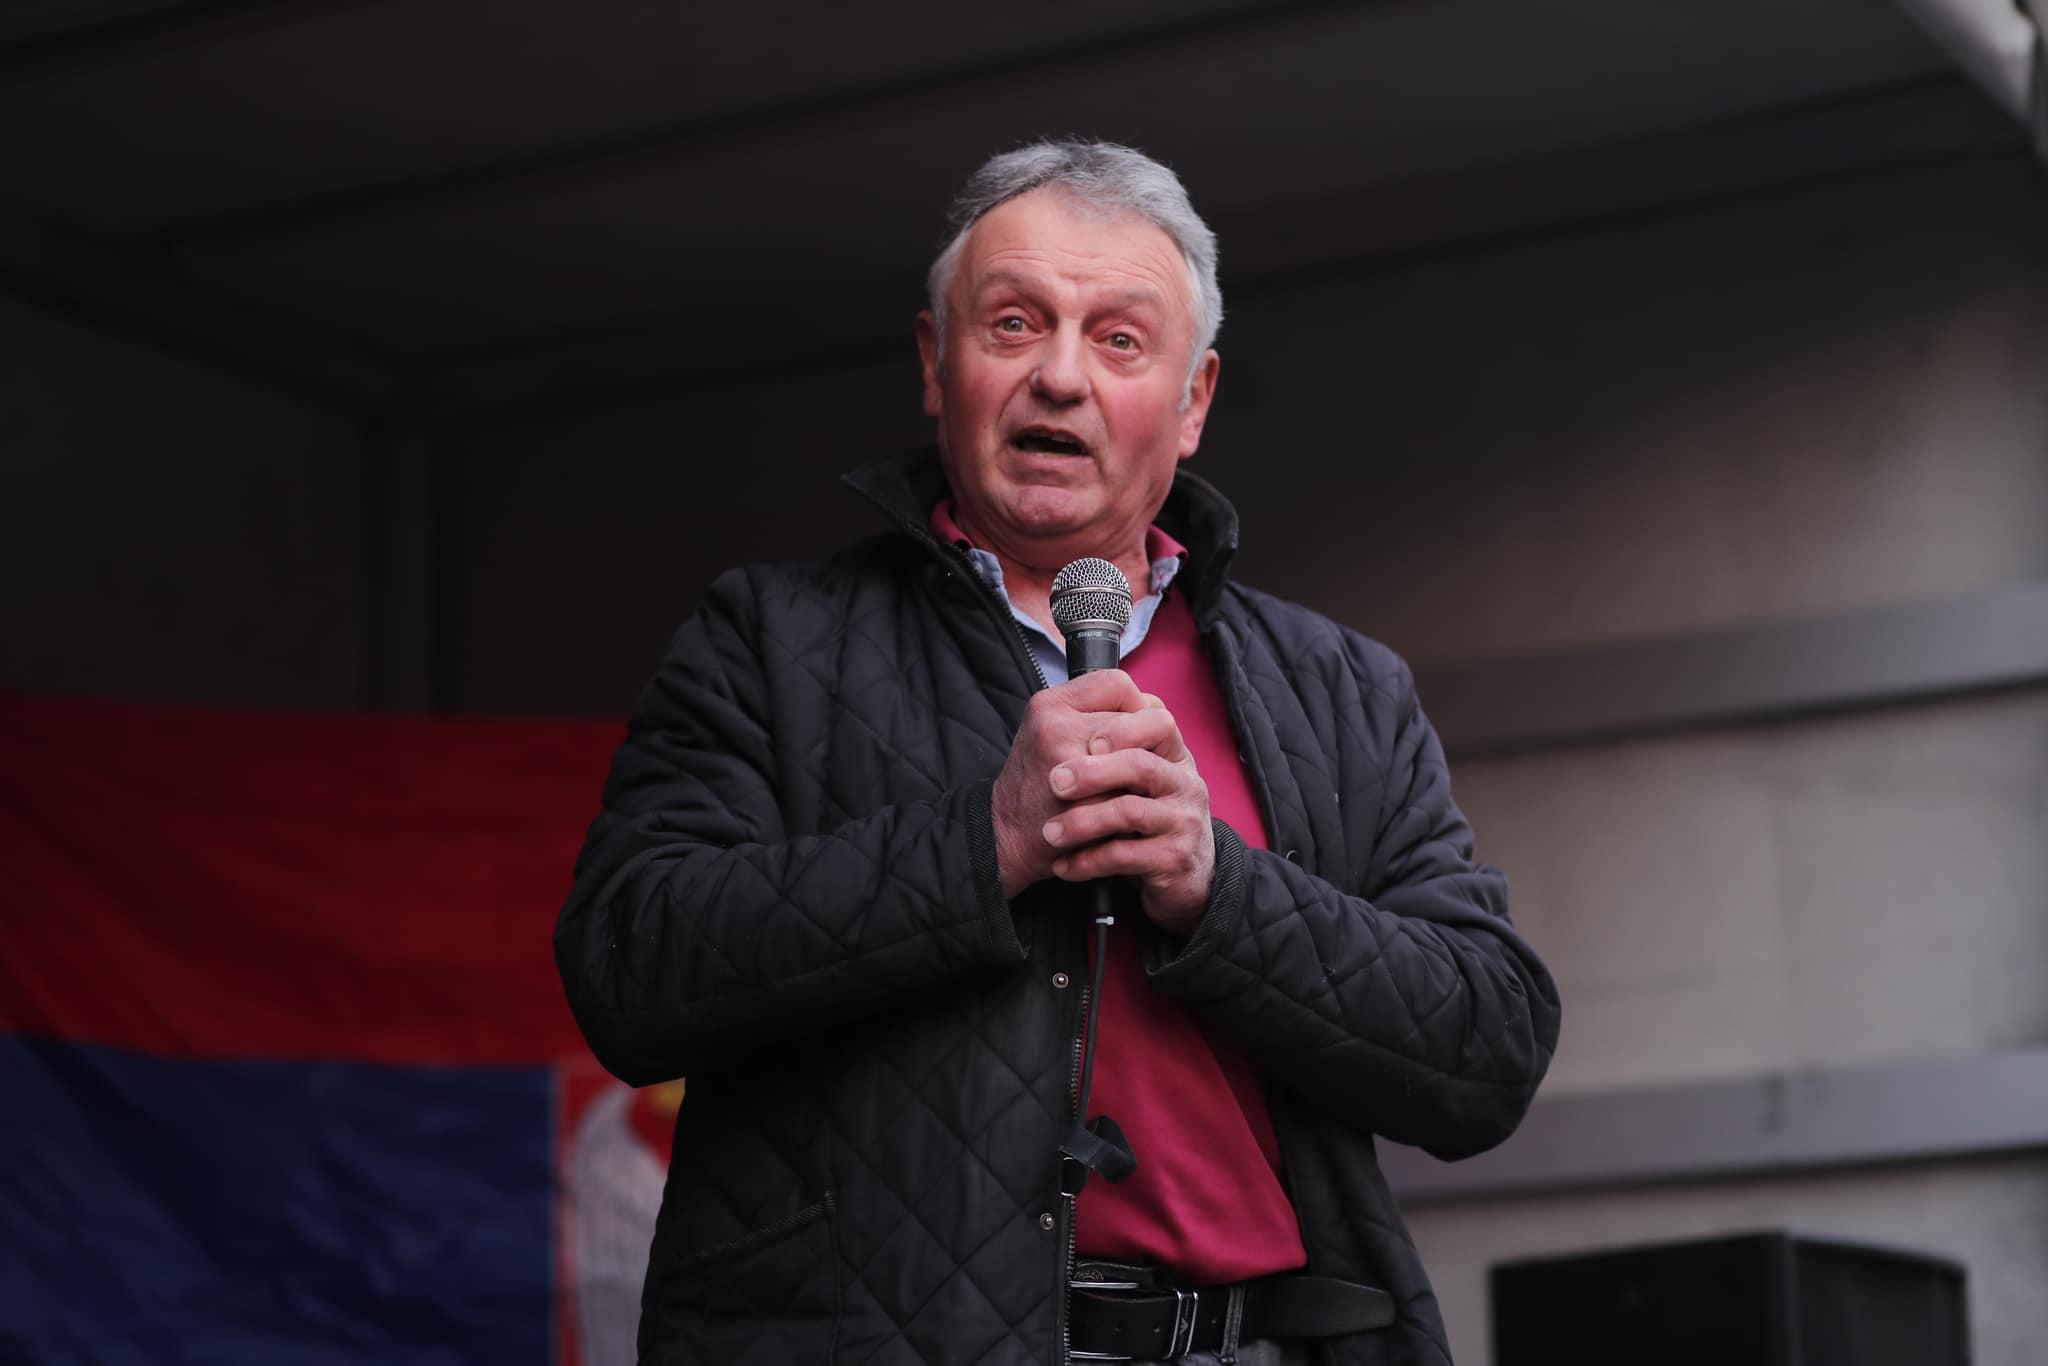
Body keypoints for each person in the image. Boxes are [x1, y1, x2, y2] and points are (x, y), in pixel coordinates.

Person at [554, 140, 1561, 1366]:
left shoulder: (1339, 687)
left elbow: (1483, 1055)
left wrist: (1219, 890)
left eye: (1120, 339)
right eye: (1013, 324)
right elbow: (629, 970)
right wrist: (984, 843)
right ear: (935, 363)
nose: (1060, 377)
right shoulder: (768, 639)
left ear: (1192, 402)